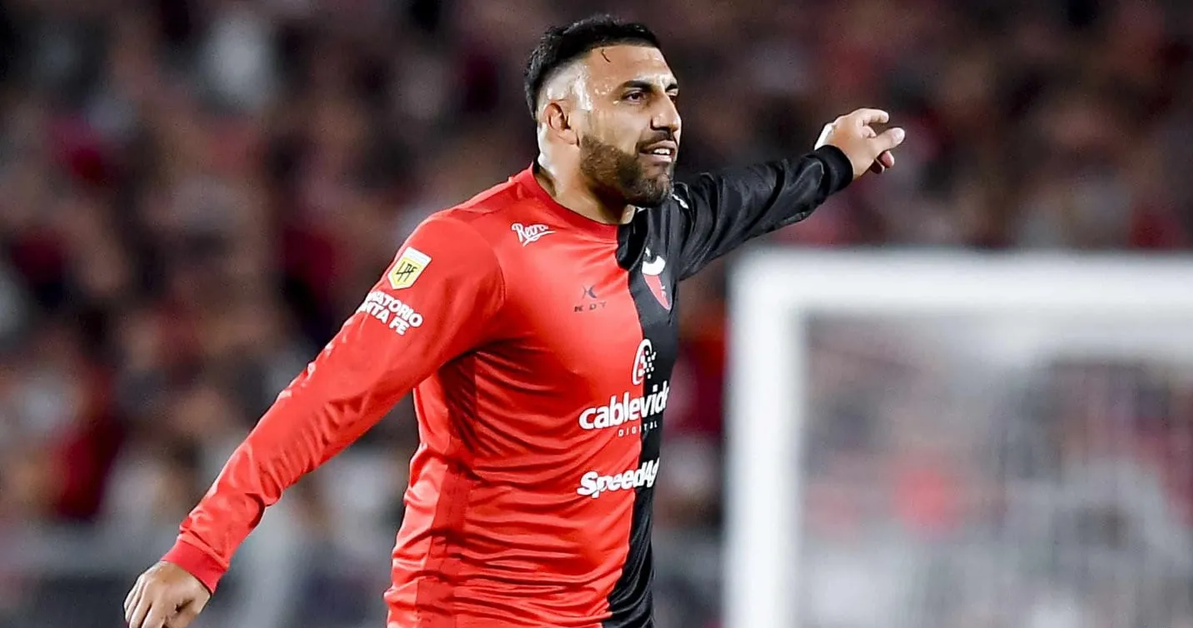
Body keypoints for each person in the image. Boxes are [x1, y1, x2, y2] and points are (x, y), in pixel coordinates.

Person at [122, 14, 905, 628]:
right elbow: (330, 395)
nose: (669, 117)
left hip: (611, 616)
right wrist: (202, 548)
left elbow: (751, 198)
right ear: (560, 120)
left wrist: (833, 162)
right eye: (635, 96)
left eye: (671, 95)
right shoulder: (474, 249)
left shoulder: (659, 226)